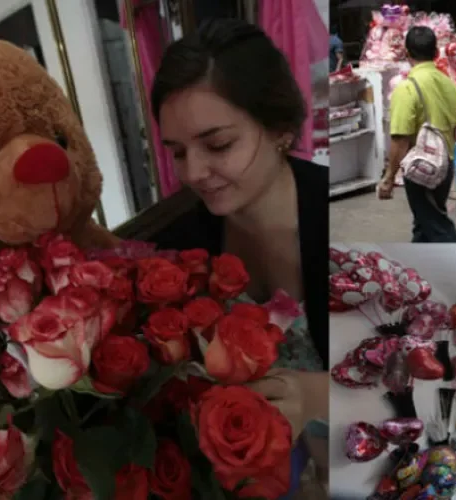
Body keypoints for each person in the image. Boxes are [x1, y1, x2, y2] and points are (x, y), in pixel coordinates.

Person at [150, 18, 328, 497]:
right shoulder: (183, 245)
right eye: (178, 152)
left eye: (218, 145)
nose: (195, 172)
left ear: (278, 128)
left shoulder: (334, 216)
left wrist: (317, 394)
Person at [378, 26, 456, 243]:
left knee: (437, 227)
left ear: (407, 53)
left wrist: (388, 178)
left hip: (422, 168)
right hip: (446, 163)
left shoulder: (406, 88)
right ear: (436, 53)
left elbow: (400, 139)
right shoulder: (449, 84)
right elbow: (454, 127)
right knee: (423, 224)